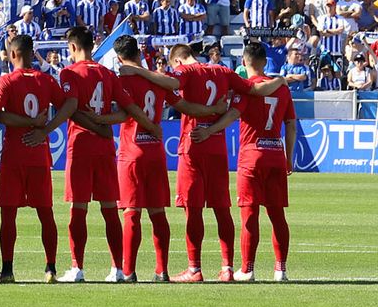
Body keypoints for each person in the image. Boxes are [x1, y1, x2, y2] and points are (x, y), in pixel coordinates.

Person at [120, 41, 286, 282]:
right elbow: (254, 90)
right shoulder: (222, 71)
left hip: (193, 144)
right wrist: (279, 81)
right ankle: (227, 268)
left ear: (177, 61)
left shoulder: (186, 71)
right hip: (217, 146)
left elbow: (172, 84)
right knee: (221, 209)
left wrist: (137, 70)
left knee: (193, 209)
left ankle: (194, 269)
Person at [0, 33, 74, 283]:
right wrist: (44, 129)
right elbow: (69, 105)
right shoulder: (45, 80)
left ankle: (7, 271)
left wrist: (27, 123)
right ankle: (50, 269)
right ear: (31, 53)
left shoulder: (7, 81)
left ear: (13, 54)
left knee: (8, 215)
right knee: (45, 213)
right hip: (38, 154)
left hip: (14, 154)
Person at [55, 26, 130, 282]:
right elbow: (124, 112)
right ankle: (117, 269)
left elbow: (70, 108)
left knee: (79, 207)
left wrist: (47, 129)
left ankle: (77, 268)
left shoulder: (69, 73)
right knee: (110, 208)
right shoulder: (108, 74)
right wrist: (103, 124)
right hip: (105, 147)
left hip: (81, 146)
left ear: (73, 47)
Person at [230, 41, 297, 282]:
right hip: (276, 154)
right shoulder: (282, 89)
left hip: (251, 156)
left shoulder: (246, 87)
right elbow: (290, 125)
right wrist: (289, 158)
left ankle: (247, 269)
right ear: (266, 62)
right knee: (277, 215)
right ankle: (281, 270)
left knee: (249, 214)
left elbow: (232, 112)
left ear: (244, 62)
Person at [111, 34, 171, 282]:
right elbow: (179, 98)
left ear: (118, 58)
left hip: (131, 152)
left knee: (132, 213)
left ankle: (129, 272)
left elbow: (121, 113)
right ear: (138, 53)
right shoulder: (157, 81)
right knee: (157, 213)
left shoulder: (123, 81)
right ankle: (162, 270)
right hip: (155, 151)